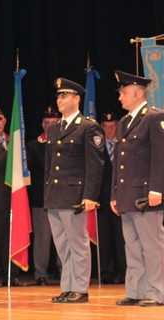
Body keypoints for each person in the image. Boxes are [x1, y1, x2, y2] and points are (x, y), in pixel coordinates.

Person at [44, 77, 104, 303]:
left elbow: (95, 165)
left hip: (75, 196)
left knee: (77, 244)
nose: (59, 100)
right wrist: (47, 194)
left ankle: (80, 288)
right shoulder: (54, 128)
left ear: (77, 99)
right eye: (58, 95)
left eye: (64, 95)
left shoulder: (88, 127)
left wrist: (90, 196)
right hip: (55, 196)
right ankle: (68, 287)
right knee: (62, 246)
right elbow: (50, 166)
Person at [110, 70, 164, 307]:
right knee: (132, 246)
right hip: (127, 194)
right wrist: (114, 194)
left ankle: (157, 292)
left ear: (138, 92)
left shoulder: (155, 117)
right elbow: (118, 164)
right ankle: (136, 290)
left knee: (152, 246)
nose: (120, 97)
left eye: (123, 93)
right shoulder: (124, 122)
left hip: (146, 194)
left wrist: (157, 189)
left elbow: (160, 157)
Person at [0, 107, 25, 287]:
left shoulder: (14, 141)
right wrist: (10, 155)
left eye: (0, 119)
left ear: (5, 121)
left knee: (11, 241)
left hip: (15, 198)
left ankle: (12, 274)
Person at [27, 106, 62, 286]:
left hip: (63, 198)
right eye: (47, 123)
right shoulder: (34, 146)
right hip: (41, 199)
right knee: (42, 238)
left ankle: (64, 271)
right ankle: (41, 273)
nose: (50, 126)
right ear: (42, 125)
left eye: (54, 123)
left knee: (63, 238)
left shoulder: (66, 143)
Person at [98, 112, 126, 284]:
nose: (110, 130)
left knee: (121, 238)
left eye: (113, 126)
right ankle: (106, 272)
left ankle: (124, 271)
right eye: (106, 127)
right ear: (102, 128)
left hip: (121, 199)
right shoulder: (97, 147)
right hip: (102, 199)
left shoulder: (124, 145)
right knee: (105, 238)